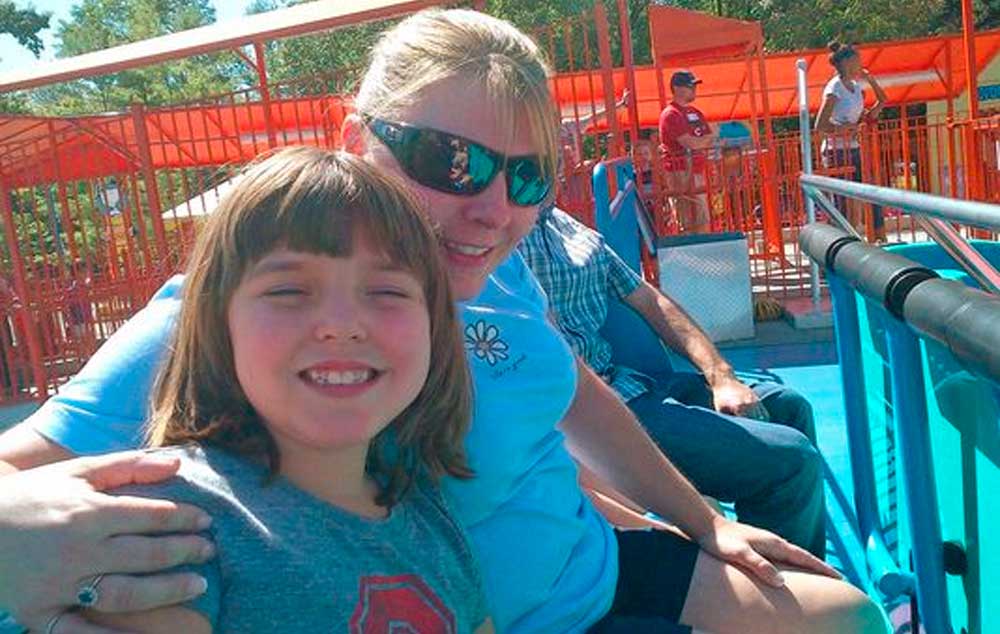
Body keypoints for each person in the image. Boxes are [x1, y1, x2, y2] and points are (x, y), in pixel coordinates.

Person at [0, 9, 886, 634]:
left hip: (601, 568)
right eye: (450, 160)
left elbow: (574, 400)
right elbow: (22, 467)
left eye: (527, 176)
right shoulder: (249, 317)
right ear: (358, 141)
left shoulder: (497, 280)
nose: (492, 209)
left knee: (848, 614)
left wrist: (702, 524)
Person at [71, 148, 490, 633]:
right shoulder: (175, 521)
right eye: (288, 291)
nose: (341, 326)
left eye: (387, 292)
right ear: (218, 324)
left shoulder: (427, 511)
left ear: (434, 330)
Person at [518, 204, 826, 558]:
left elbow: (650, 300)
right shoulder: (501, 241)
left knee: (790, 408)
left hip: (635, 385)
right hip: (597, 413)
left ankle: (793, 566)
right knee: (790, 460)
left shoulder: (567, 227)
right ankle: (789, 598)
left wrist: (721, 376)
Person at [814, 41, 888, 242]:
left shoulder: (855, 87)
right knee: (844, 202)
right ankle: (841, 242)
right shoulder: (834, 88)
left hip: (855, 148)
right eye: (857, 61)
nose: (860, 64)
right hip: (836, 151)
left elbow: (883, 101)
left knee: (872, 192)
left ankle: (880, 237)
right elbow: (820, 125)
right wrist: (842, 130)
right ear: (846, 63)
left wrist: (870, 79)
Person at [658, 70, 716, 234]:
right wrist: (707, 139)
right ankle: (693, 256)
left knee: (702, 218)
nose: (694, 89)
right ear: (676, 88)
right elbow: (691, 143)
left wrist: (705, 140)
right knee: (688, 220)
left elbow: (706, 140)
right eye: (690, 86)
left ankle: (703, 254)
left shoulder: (695, 113)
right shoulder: (671, 114)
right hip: (680, 171)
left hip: (697, 169)